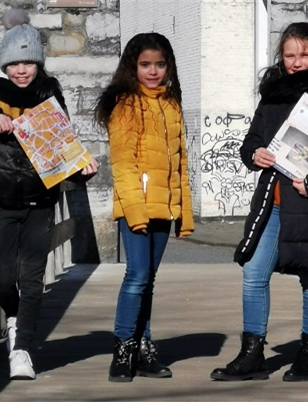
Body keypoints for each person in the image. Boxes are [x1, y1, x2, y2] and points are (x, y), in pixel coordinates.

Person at [0, 9, 98, 380]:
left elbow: (62, 145)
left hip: (40, 199)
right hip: (0, 201)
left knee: (31, 277)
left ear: (39, 64)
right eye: (14, 63)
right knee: (1, 278)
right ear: (4, 64)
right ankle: (14, 319)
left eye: (29, 62)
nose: (22, 70)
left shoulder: (49, 93)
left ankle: (22, 350)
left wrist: (82, 170)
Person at [210, 22, 308, 382]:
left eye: (304, 54)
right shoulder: (273, 95)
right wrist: (255, 154)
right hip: (273, 202)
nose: (296, 62)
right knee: (253, 273)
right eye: (290, 55)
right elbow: (252, 140)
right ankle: (252, 356)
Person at [94, 32, 194, 383]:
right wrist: (135, 212)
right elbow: (123, 165)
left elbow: (180, 164)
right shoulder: (125, 105)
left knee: (148, 279)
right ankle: (123, 349)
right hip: (136, 206)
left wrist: (183, 213)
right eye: (145, 65)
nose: (153, 72)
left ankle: (143, 346)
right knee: (136, 276)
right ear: (132, 67)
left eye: (160, 64)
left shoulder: (171, 104)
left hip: (164, 208)